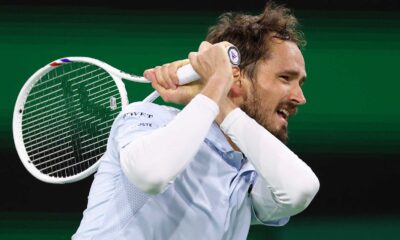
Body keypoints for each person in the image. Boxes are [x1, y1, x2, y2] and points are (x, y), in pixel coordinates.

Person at [73, 2, 319, 239]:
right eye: (286, 78)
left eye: (300, 83)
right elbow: (152, 175)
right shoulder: (150, 119)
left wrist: (218, 95)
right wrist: (216, 85)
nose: (300, 97)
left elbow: (301, 190)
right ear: (237, 77)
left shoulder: (250, 173)